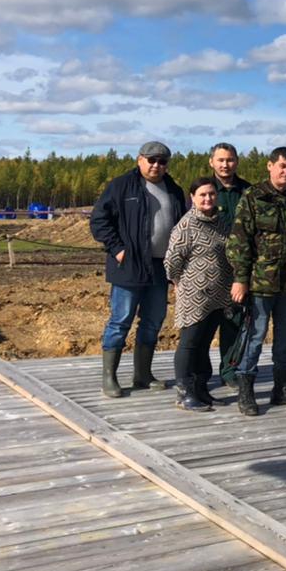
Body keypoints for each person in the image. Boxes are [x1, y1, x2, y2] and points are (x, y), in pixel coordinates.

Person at [90, 140, 187, 398]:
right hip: (129, 266)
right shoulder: (122, 186)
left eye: (162, 161)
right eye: (151, 160)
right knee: (120, 321)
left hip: (160, 268)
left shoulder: (174, 190)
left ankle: (142, 375)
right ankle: (109, 378)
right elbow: (99, 220)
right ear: (139, 159)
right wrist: (118, 249)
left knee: (153, 322)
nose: (156, 165)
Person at [226, 146, 286, 416]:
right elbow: (239, 241)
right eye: (282, 167)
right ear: (270, 166)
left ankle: (283, 388)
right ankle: (246, 390)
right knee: (254, 336)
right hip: (260, 283)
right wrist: (240, 279)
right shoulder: (253, 197)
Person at [164, 178, 232, 412]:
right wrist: (178, 282)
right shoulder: (186, 225)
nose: (208, 199)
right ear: (192, 197)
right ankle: (185, 393)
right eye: (202, 195)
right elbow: (172, 261)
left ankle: (202, 389)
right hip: (194, 295)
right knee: (190, 344)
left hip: (218, 295)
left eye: (211, 194)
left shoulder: (222, 223)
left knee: (204, 344)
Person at [209, 142, 251, 385]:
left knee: (234, 322)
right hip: (209, 268)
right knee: (203, 324)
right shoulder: (203, 189)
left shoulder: (247, 191)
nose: (225, 165)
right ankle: (200, 373)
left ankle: (229, 370)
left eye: (230, 160)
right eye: (221, 160)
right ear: (212, 162)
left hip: (237, 269)